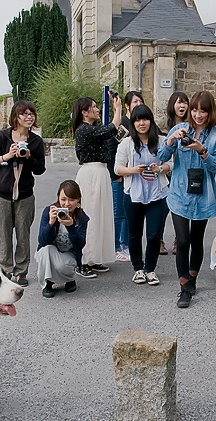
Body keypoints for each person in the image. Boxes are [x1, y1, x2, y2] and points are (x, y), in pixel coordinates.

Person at [158, 90, 216, 308]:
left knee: (197, 239)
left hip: (202, 195)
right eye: (195, 110)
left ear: (210, 112)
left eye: (203, 111)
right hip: (179, 193)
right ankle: (183, 288)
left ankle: (192, 280)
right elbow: (161, 157)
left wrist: (202, 150)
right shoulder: (180, 129)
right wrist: (170, 140)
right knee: (183, 240)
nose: (198, 115)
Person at [0, 100, 46, 286]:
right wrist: (8, 155)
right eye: (24, 114)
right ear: (16, 116)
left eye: (32, 114)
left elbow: (40, 169)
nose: (29, 117)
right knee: (3, 234)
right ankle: (5, 270)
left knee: (23, 234)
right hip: (3, 194)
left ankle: (21, 272)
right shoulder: (2, 137)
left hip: (25, 195)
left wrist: (28, 157)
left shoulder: (36, 141)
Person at [114, 104, 171, 286]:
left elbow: (172, 163)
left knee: (154, 234)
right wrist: (133, 170)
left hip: (157, 193)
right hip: (133, 193)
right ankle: (138, 268)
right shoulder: (127, 143)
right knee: (134, 233)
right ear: (133, 123)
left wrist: (160, 168)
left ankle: (150, 269)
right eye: (137, 120)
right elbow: (117, 168)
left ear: (151, 121)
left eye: (145, 119)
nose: (141, 123)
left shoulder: (162, 141)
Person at [72, 93, 122, 278]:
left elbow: (111, 134)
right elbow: (112, 128)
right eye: (93, 107)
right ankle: (83, 260)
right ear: (84, 112)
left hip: (101, 173)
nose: (97, 109)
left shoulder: (92, 129)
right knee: (90, 215)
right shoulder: (83, 130)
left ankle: (95, 258)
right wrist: (117, 109)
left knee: (101, 215)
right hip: (90, 174)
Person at [35, 180, 90, 298]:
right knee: (46, 250)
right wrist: (51, 223)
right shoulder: (49, 211)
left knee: (61, 265)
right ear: (58, 198)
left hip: (69, 254)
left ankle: (69, 279)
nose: (67, 204)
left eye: (71, 200)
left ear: (78, 200)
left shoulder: (82, 217)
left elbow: (80, 245)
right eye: (63, 199)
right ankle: (47, 283)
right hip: (51, 252)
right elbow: (42, 241)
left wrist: (71, 227)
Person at [110, 91, 145, 263]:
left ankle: (126, 245)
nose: (138, 103)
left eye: (140, 101)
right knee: (119, 214)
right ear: (126, 105)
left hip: (136, 176)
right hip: (120, 175)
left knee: (130, 215)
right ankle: (118, 246)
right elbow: (112, 151)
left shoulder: (141, 122)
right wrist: (115, 174)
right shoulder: (123, 124)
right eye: (135, 101)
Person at [162, 91, 189, 256]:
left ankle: (180, 240)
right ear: (172, 105)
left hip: (182, 173)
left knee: (182, 208)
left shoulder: (191, 126)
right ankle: (158, 239)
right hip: (165, 172)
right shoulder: (164, 127)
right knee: (162, 208)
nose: (182, 106)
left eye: (185, 102)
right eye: (179, 102)